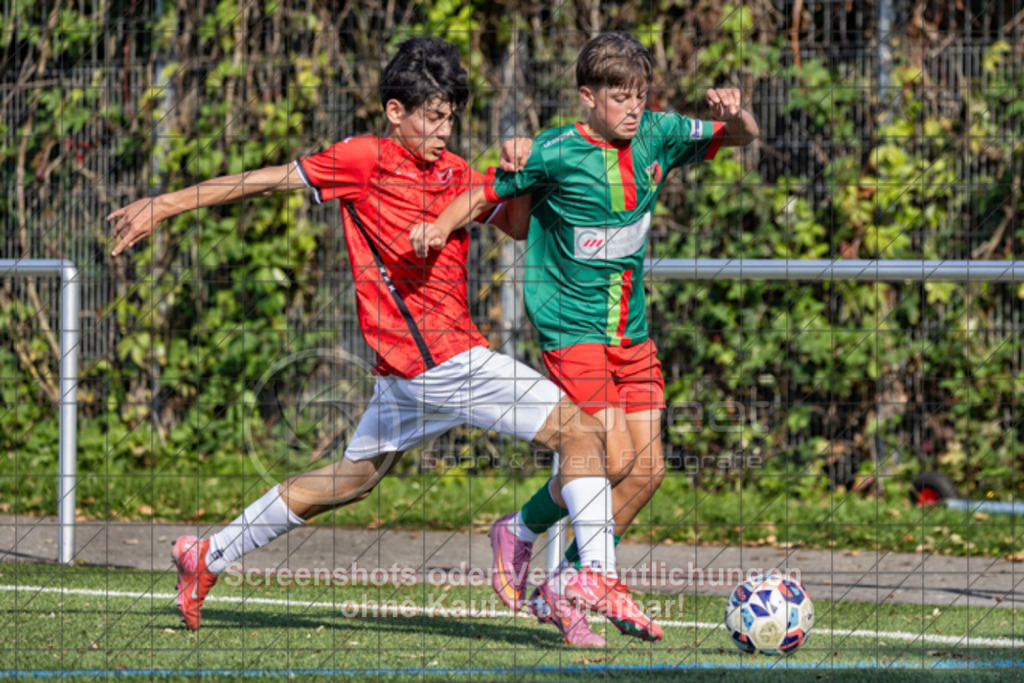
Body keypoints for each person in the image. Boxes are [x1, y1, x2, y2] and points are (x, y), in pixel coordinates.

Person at [107, 36, 657, 644]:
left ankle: (204, 556)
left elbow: (519, 224)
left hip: (409, 371)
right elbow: (263, 181)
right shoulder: (362, 158)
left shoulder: (453, 172)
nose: (442, 129)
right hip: (442, 360)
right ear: (396, 112)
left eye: (450, 116)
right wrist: (164, 204)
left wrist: (517, 170)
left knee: (350, 480)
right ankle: (592, 575)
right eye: (431, 115)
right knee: (584, 431)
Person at [411, 31, 759, 645]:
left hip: (632, 327)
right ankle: (579, 571)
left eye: (640, 94)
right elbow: (482, 193)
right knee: (609, 457)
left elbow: (740, 138)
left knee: (647, 470)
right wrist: (436, 228)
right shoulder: (553, 152)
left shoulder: (660, 134)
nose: (633, 106)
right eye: (621, 95)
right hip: (570, 328)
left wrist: (738, 115)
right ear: (587, 97)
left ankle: (544, 560)